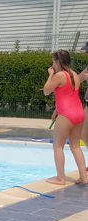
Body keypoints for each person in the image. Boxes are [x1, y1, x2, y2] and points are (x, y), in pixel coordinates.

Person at [43, 50, 87, 185]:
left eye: (53, 61)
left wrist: (50, 75)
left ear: (58, 62)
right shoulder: (74, 74)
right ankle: (84, 178)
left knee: (58, 146)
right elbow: (69, 95)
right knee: (75, 146)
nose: (52, 64)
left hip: (67, 116)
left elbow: (46, 91)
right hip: (79, 113)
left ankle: (60, 178)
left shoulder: (60, 75)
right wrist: (57, 109)